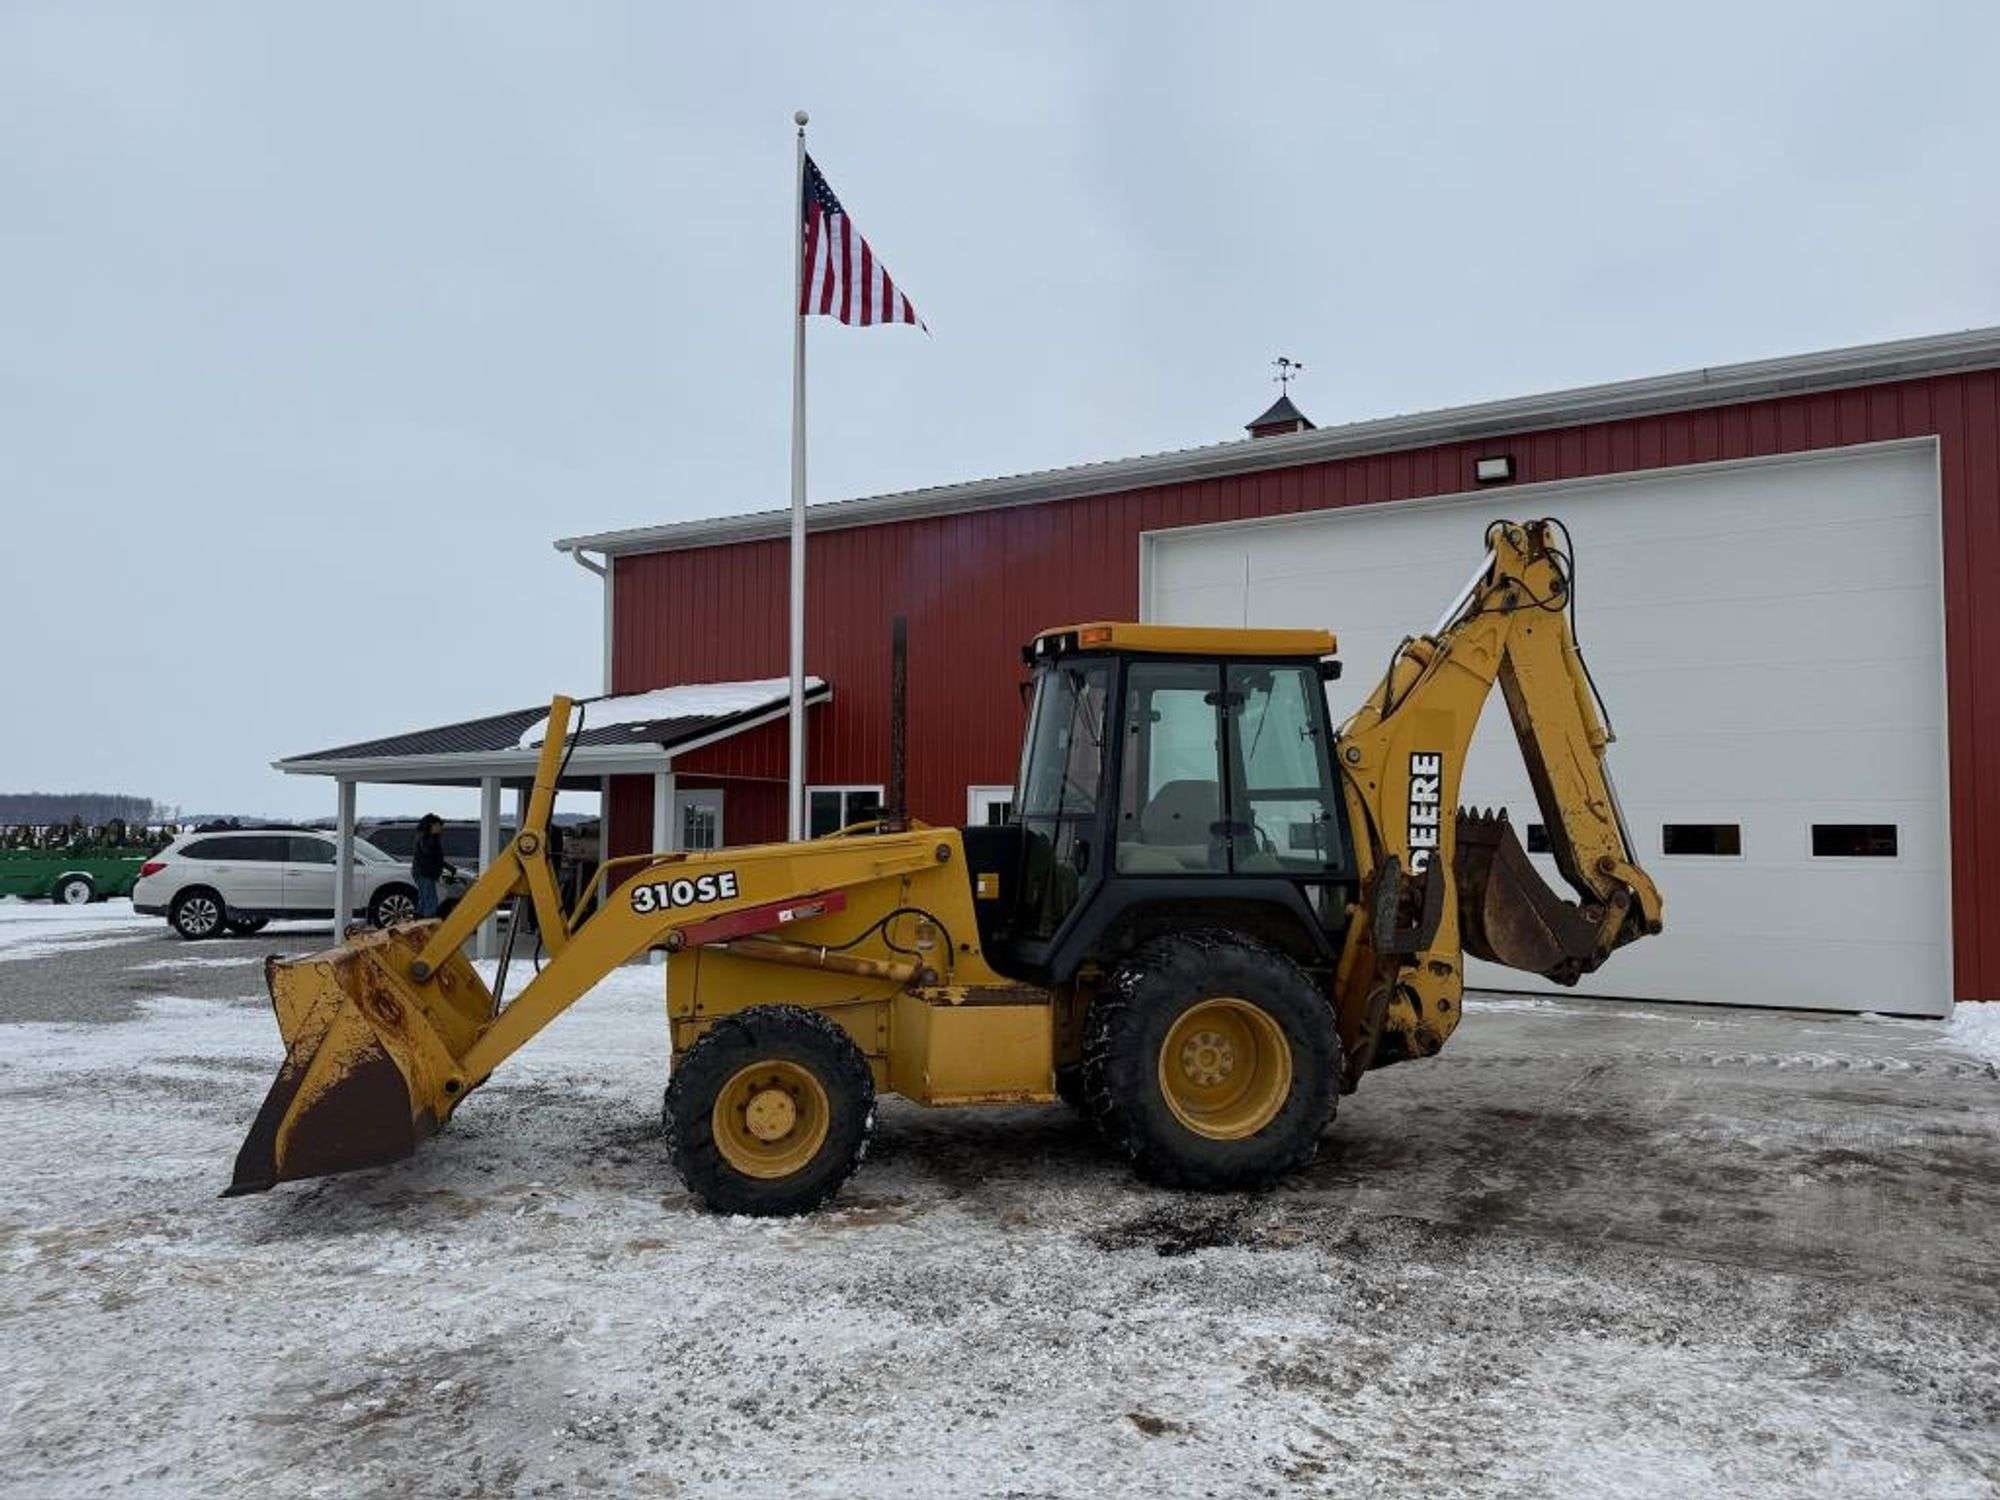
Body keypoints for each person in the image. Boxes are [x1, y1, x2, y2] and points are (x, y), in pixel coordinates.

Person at [411, 814, 457, 919]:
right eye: (438, 825)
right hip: (424, 872)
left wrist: (448, 867)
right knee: (430, 900)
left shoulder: (427, 837)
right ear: (431, 825)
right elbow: (429, 854)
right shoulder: (426, 838)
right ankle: (428, 921)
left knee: (424, 898)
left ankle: (420, 920)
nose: (440, 828)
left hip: (425, 872)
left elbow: (436, 858)